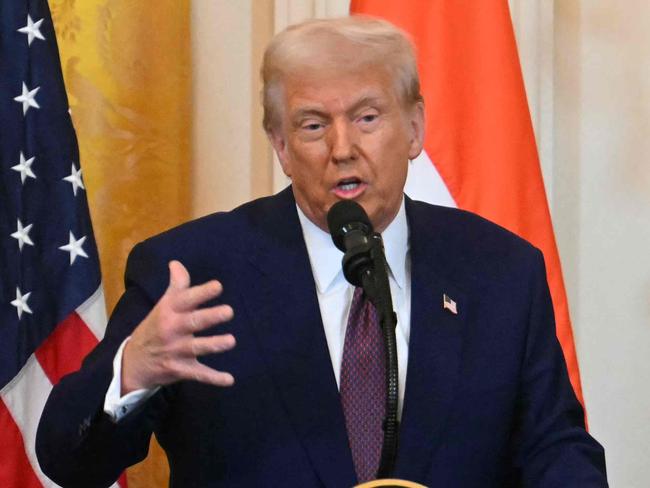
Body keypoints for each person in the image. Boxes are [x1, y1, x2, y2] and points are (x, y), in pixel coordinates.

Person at [36, 16, 607, 487]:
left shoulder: (500, 272)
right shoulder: (195, 273)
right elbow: (69, 460)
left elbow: (556, 451)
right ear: (282, 147)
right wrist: (131, 374)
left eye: (366, 117)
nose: (342, 148)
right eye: (313, 126)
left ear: (414, 128)